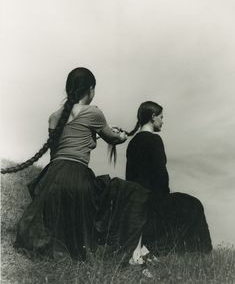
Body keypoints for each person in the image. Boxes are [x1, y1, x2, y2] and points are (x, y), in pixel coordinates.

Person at [1, 68, 150, 261]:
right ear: (90, 89)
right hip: (77, 175)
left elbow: (57, 151)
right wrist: (121, 135)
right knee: (135, 192)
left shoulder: (54, 116)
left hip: (52, 177)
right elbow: (114, 139)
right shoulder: (93, 112)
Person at [126, 101, 213, 255]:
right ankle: (157, 249)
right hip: (154, 201)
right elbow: (161, 174)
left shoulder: (132, 142)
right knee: (193, 205)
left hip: (136, 200)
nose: (162, 121)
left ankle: (153, 248)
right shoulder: (154, 140)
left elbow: (130, 175)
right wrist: (165, 197)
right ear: (153, 117)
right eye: (161, 117)